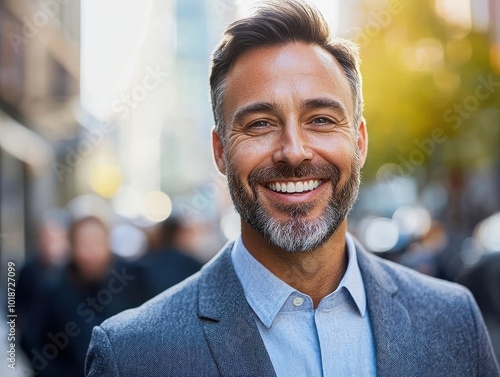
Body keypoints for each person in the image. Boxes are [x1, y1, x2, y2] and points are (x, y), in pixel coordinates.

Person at [86, 1, 500, 376]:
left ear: (359, 141)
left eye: (320, 119)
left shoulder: (453, 320)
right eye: (260, 124)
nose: (294, 152)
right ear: (220, 152)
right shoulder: (132, 356)